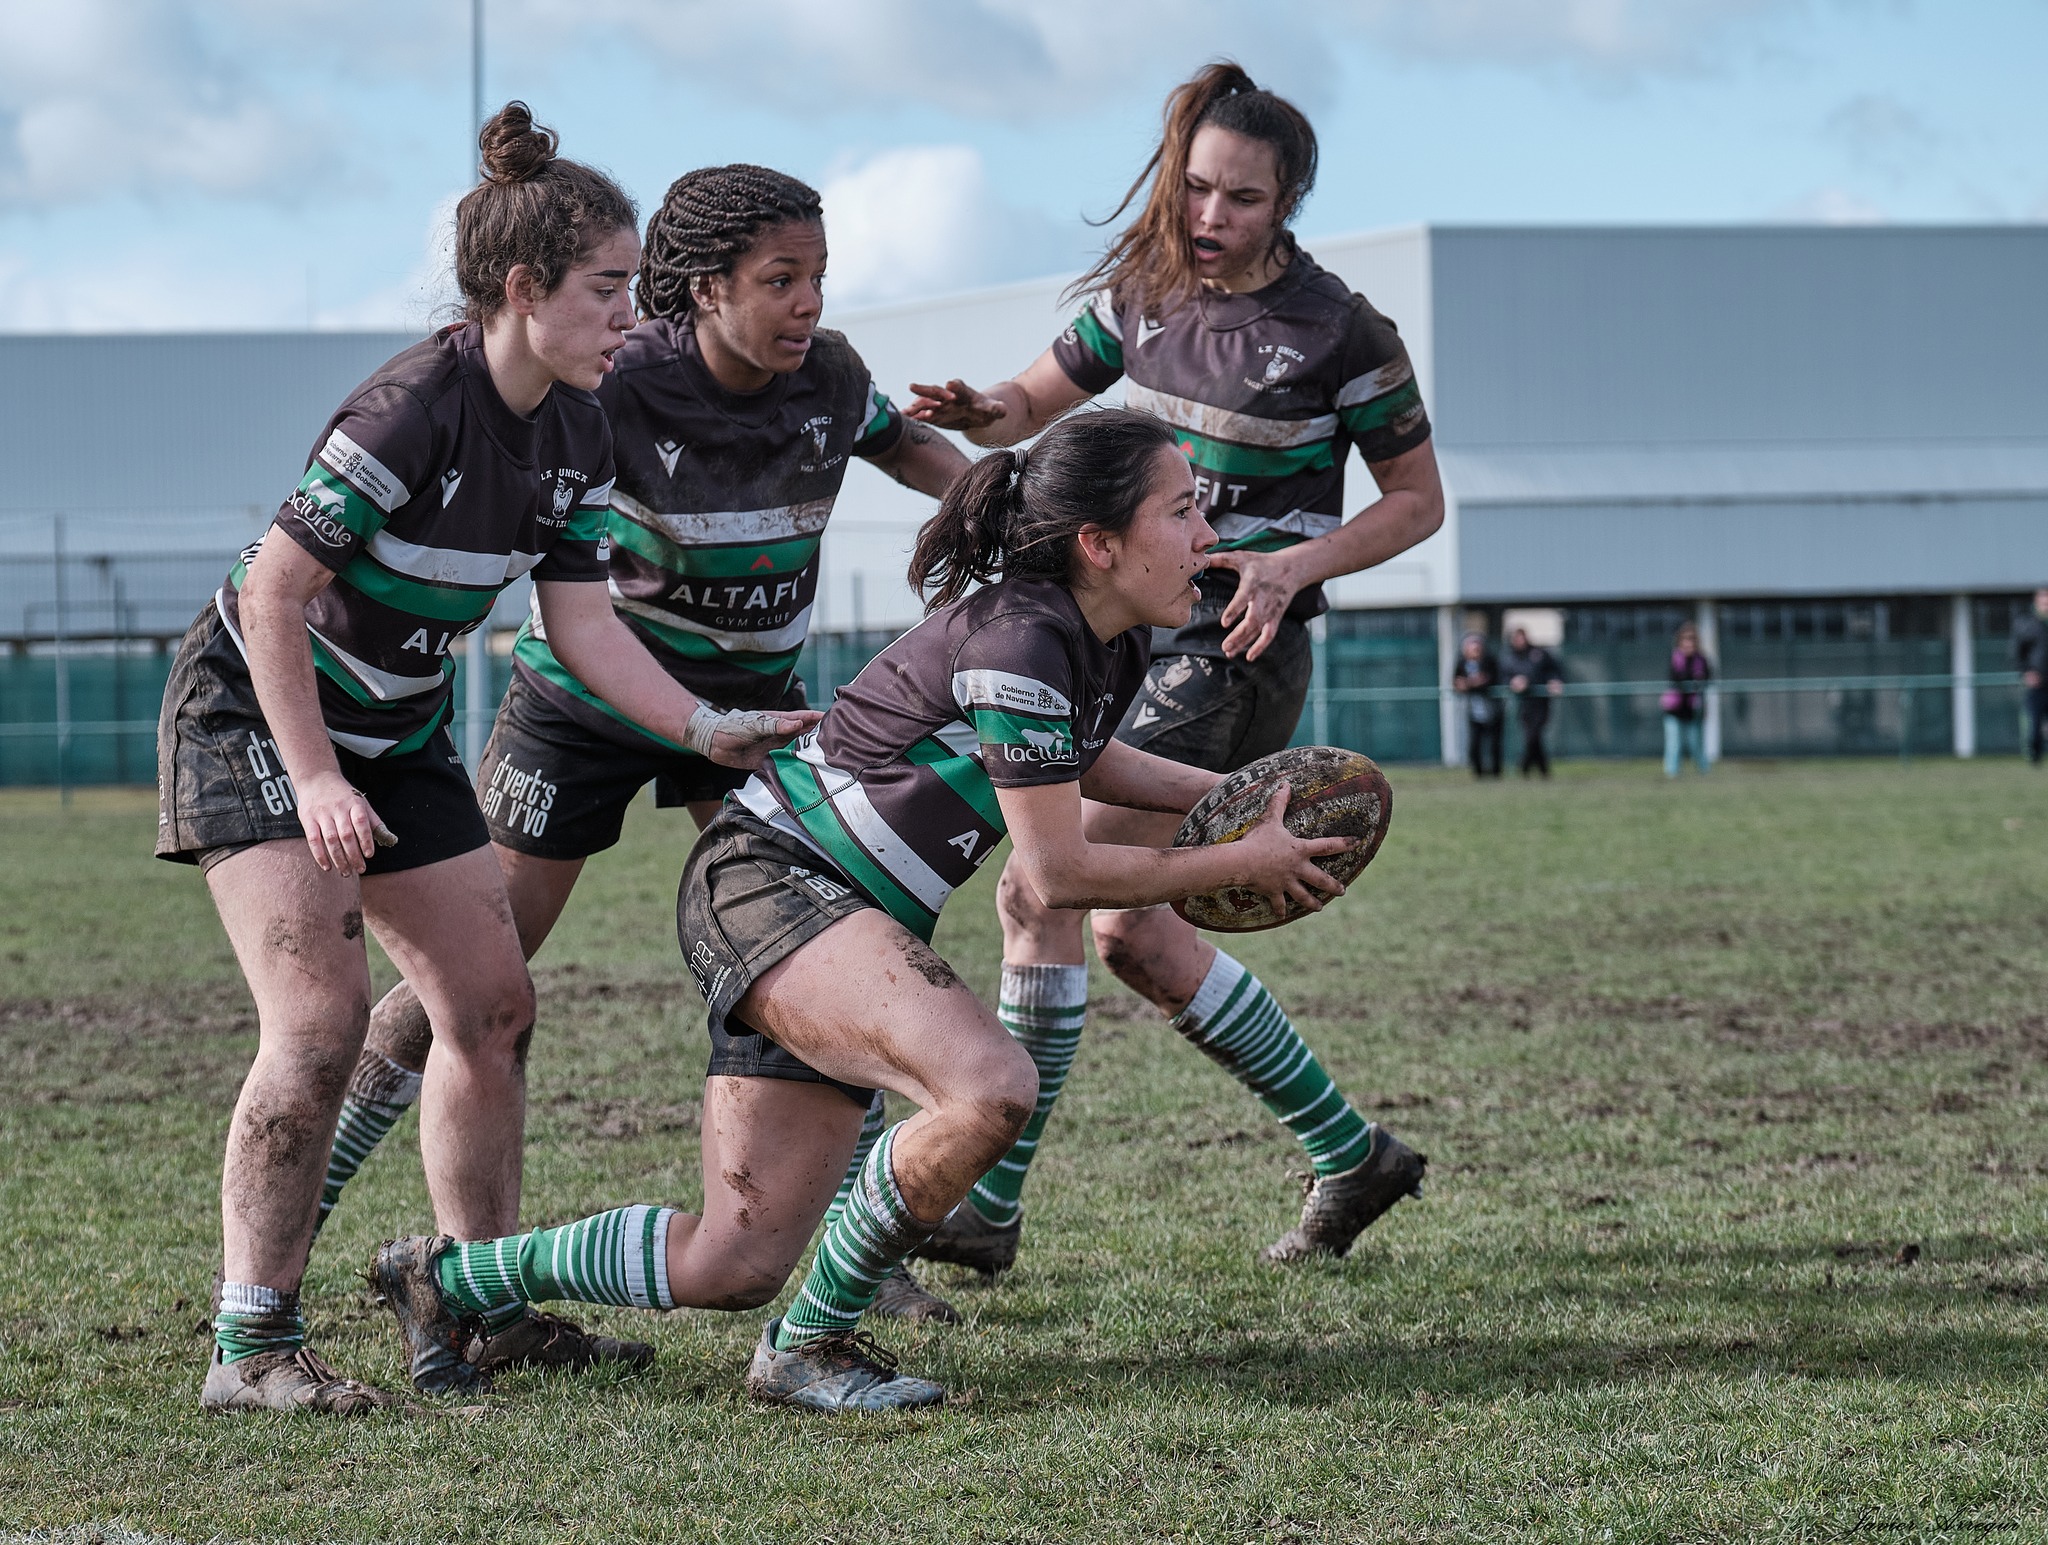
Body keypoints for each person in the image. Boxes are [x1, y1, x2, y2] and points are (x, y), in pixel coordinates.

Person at [370, 408, 1365, 1413]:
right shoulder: (1022, 639)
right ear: (1098, 545)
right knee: (987, 1084)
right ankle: (810, 1347)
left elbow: (1083, 758)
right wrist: (1235, 857)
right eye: (1183, 510)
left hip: (810, 904)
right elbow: (1057, 871)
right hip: (773, 883)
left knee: (734, 1257)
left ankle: (443, 1278)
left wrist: (1221, 801)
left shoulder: (1094, 640)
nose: (1208, 534)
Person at [153, 104, 809, 1415]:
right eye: (610, 289)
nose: (635, 314)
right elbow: (274, 597)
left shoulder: (578, 426)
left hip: (393, 731)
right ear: (521, 291)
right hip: (256, 715)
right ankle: (251, 1346)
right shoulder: (411, 410)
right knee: (322, 1022)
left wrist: (698, 727)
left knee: (492, 1007)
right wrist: (320, 780)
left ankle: (481, 1301)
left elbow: (582, 623)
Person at [317, 165, 974, 1360]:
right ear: (700, 288)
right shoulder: (614, 379)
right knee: (479, 976)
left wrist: (995, 508)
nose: (807, 304)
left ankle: (851, 1246)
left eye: (819, 278)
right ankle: (307, 1207)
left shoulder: (826, 379)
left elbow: (911, 447)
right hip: (584, 704)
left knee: (827, 943)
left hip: (754, 714)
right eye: (780, 281)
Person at [899, 62, 1442, 1274]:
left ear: (1287, 199)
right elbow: (1031, 404)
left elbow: (1416, 504)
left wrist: (1295, 566)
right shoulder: (1145, 289)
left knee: (1050, 893)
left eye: (1239, 199)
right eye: (1195, 188)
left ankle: (987, 1208)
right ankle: (1349, 1152)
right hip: (1134, 632)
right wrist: (980, 404)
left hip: (1234, 644)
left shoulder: (1341, 332)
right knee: (1126, 934)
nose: (1208, 218)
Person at [1500, 625, 1564, 778]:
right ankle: (1540, 770)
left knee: (1534, 735)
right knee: (1532, 736)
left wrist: (1554, 681)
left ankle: (1526, 766)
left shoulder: (1539, 654)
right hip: (1522, 703)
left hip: (1541, 701)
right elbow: (1503, 677)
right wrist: (1513, 683)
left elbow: (1554, 669)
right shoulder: (1509, 658)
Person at [1662, 621, 1713, 776]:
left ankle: (1704, 771)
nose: (1688, 642)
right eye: (1685, 639)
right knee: (1674, 742)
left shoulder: (1702, 660)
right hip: (1674, 708)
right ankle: (1672, 773)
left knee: (1695, 742)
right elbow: (1675, 679)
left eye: (1691, 639)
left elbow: (1707, 680)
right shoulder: (1675, 659)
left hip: (1693, 708)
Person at [1452, 632, 1503, 778]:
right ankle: (1478, 774)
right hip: (1473, 710)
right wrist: (1471, 683)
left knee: (1494, 744)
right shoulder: (1461, 663)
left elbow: (1487, 681)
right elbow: (1456, 682)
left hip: (1493, 709)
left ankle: (1496, 774)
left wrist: (1469, 683)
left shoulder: (1489, 661)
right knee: (1475, 745)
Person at [2015, 587, 2048, 765]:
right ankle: (2035, 758)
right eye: (2044, 600)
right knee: (2035, 725)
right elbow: (2017, 653)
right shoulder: (2028, 625)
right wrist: (2027, 672)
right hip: (2039, 684)